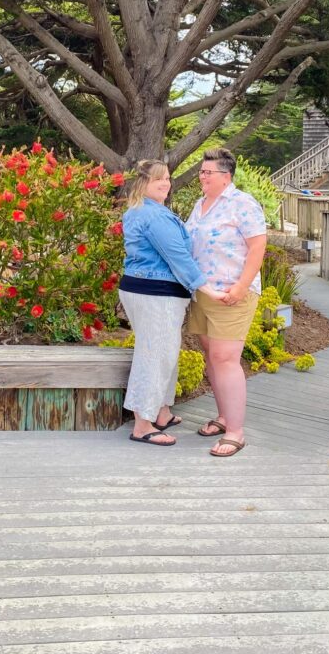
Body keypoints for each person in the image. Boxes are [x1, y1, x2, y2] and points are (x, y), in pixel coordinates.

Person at [119, 159, 225, 447]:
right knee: (155, 354)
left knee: (165, 350)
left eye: (167, 178)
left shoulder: (143, 210)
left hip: (147, 290)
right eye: (158, 180)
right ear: (143, 184)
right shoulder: (153, 216)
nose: (166, 183)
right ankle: (142, 423)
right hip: (155, 293)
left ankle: (161, 411)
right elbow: (177, 256)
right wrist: (206, 289)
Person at [186, 148, 267, 457]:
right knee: (210, 354)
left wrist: (241, 287)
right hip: (205, 293)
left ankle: (236, 432)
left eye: (207, 173)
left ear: (225, 176)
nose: (201, 176)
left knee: (225, 358)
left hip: (234, 293)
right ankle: (223, 417)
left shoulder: (242, 204)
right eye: (202, 172)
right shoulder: (200, 205)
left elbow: (258, 245)